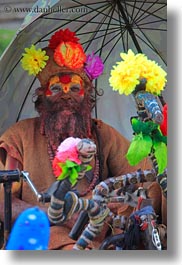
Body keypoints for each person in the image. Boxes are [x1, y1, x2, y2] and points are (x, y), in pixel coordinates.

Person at [0, 28, 166, 250]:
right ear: (42, 97)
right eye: (56, 88)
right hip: (48, 241)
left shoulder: (102, 134)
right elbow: (3, 203)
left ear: (87, 96)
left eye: (75, 88)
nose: (66, 95)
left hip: (103, 237)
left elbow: (149, 178)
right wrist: (54, 214)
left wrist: (124, 204)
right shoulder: (19, 137)